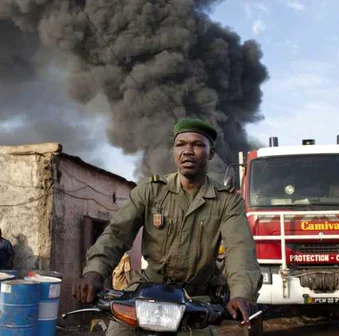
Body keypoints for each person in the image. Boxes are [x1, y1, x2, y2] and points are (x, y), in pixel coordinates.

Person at [73, 118, 262, 335]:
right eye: (181, 144)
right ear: (173, 151)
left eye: (198, 145)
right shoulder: (151, 190)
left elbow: (240, 250)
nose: (188, 151)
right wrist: (94, 272)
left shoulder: (227, 200)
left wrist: (242, 295)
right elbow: (116, 234)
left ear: (210, 153)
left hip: (196, 300)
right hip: (146, 290)